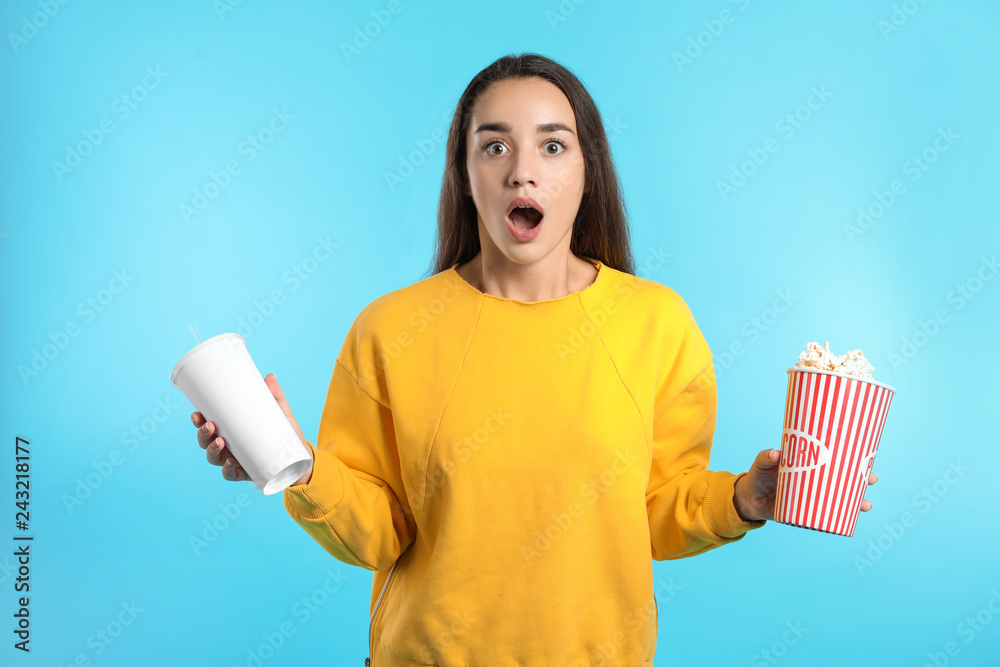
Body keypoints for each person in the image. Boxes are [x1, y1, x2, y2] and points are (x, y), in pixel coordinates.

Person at [192, 52, 878, 666]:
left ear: (587, 172)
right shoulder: (389, 330)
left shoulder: (657, 325)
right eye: (493, 148)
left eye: (553, 145)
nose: (523, 170)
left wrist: (744, 497)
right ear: (465, 176)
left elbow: (656, 510)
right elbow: (377, 533)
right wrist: (301, 466)